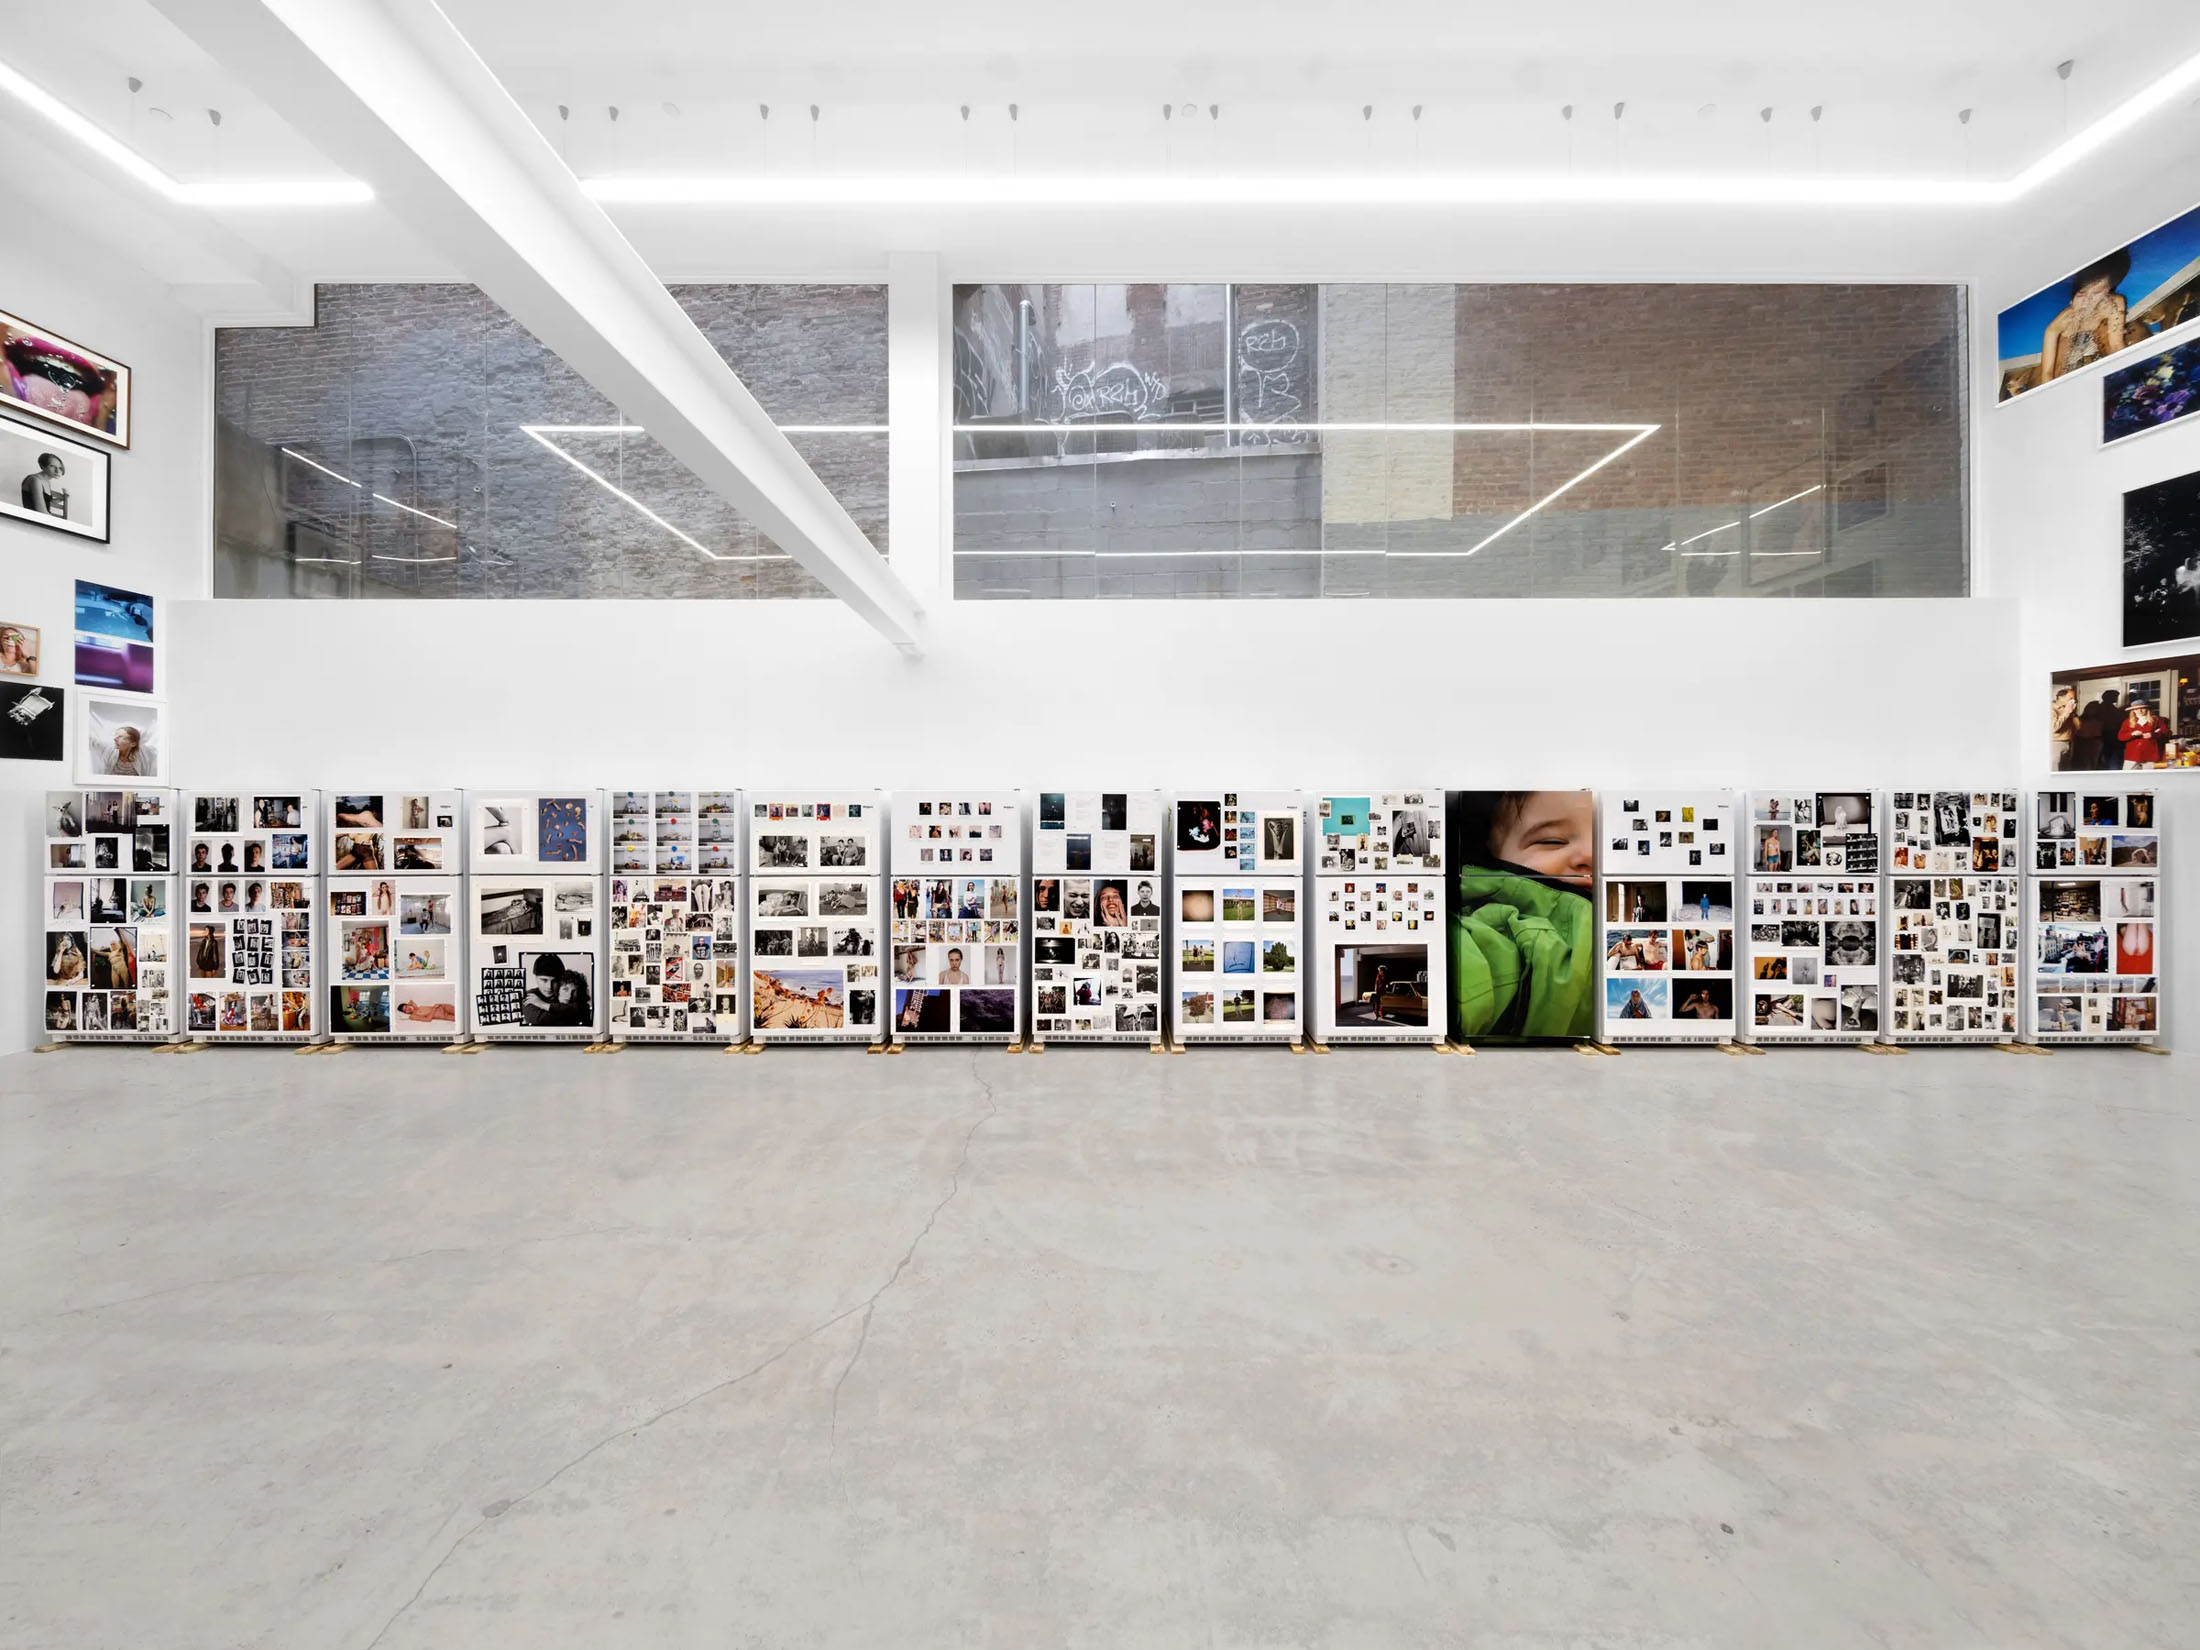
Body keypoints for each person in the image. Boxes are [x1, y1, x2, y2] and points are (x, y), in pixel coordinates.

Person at [2037, 250, 2129, 384]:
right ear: (2073, 295)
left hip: (2095, 345)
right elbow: (2047, 373)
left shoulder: (2114, 304)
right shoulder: (2059, 325)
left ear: (2107, 290)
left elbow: (2117, 346)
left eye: (2096, 292)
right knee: (2059, 368)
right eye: (2082, 293)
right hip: (2066, 352)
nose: (2088, 300)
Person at [2075, 688, 2119, 770]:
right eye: (2115, 696)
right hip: (2096, 738)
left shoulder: (2112, 709)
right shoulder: (2101, 708)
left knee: (2101, 761)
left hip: (2104, 738)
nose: (2116, 698)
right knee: (2091, 762)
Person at [2117, 700, 2169, 767]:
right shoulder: (2127, 722)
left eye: (2142, 708)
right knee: (2128, 773)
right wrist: (2131, 734)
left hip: (2150, 754)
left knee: (2149, 773)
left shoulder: (2157, 720)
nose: (2140, 711)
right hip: (2132, 755)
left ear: (2147, 709)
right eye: (2136, 709)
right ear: (2133, 710)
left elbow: (2167, 733)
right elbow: (2120, 737)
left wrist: (2153, 735)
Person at [20, 451, 68, 517]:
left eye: (59, 467)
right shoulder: (35, 480)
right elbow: (41, 511)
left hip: (44, 517)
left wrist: (62, 498)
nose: (57, 471)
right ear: (42, 466)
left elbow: (46, 502)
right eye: (52, 466)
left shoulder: (46, 481)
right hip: (34, 518)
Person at [2049, 684, 2078, 771]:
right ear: (2061, 697)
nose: (2073, 701)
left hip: (2068, 743)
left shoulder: (2068, 709)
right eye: (2071, 698)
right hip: (2055, 743)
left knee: (2065, 769)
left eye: (2074, 699)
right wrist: (2066, 713)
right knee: (2055, 769)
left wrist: (2072, 713)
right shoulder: (2051, 709)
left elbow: (2079, 726)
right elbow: (2053, 728)